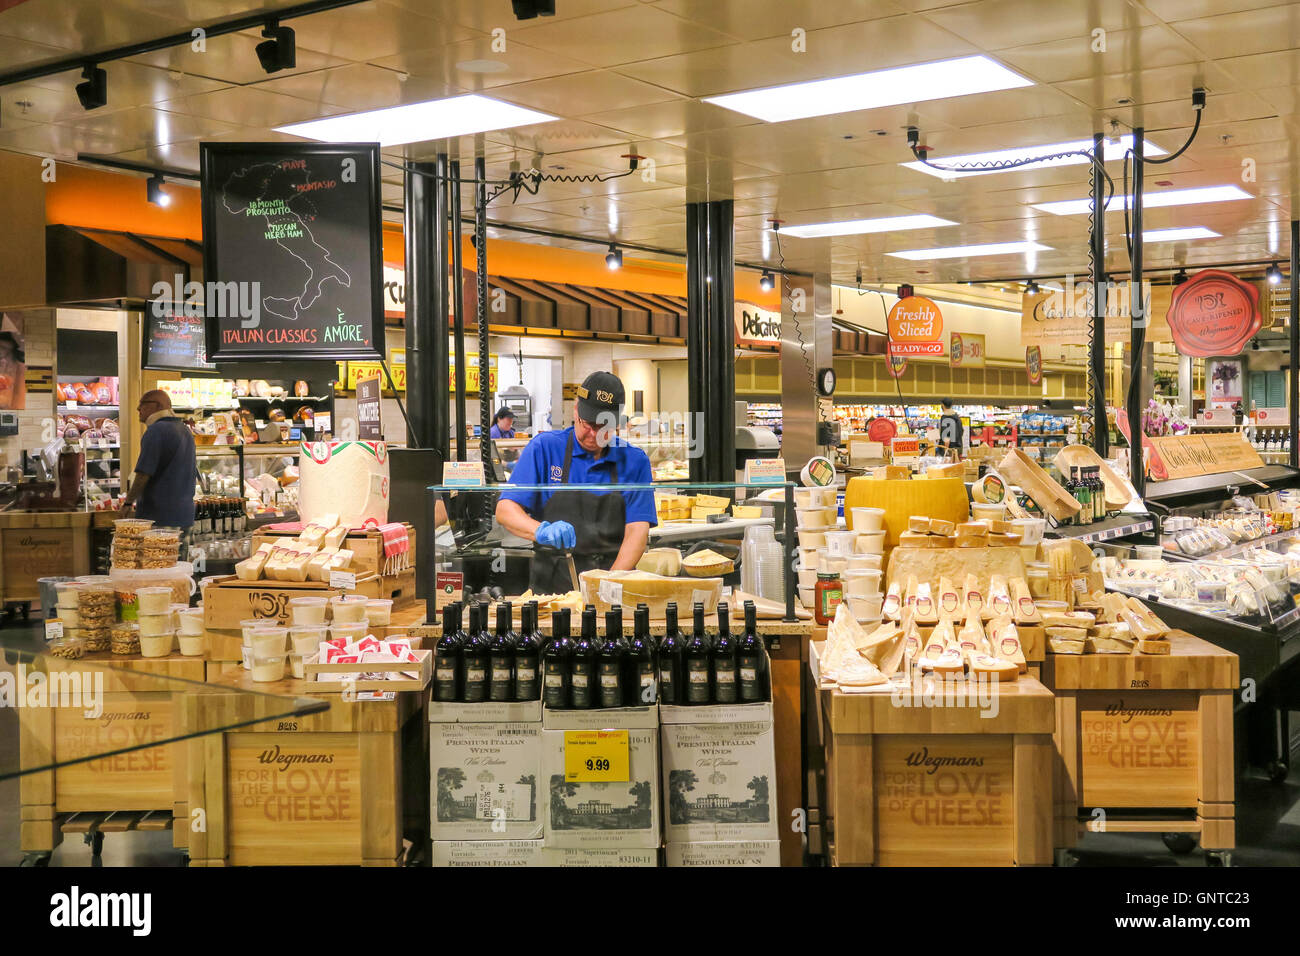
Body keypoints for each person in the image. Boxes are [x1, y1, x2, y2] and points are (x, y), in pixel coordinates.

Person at [496, 371, 655, 592]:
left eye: (604, 428)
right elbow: (505, 510)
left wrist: (607, 585)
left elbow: (637, 531)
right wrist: (541, 530)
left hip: (613, 580)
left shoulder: (634, 460)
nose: (593, 434)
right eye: (587, 423)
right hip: (551, 587)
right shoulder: (545, 448)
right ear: (576, 410)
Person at [121, 390, 197, 538]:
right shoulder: (184, 430)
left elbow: (143, 473)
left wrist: (128, 503)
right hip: (185, 516)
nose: (138, 408)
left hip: (160, 517)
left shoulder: (156, 431)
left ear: (157, 405)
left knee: (157, 559)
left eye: (142, 404)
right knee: (179, 561)